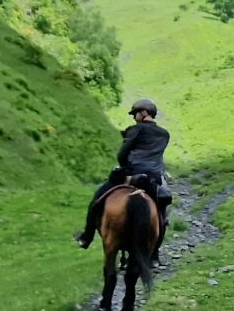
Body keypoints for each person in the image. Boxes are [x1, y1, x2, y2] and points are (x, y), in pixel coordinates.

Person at [74, 99, 172, 258]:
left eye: (135, 113)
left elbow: (122, 154)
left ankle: (86, 237)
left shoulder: (135, 129)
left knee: (97, 200)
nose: (134, 117)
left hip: (133, 174)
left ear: (144, 113)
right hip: (154, 179)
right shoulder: (164, 134)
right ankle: (154, 255)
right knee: (161, 216)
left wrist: (125, 167)